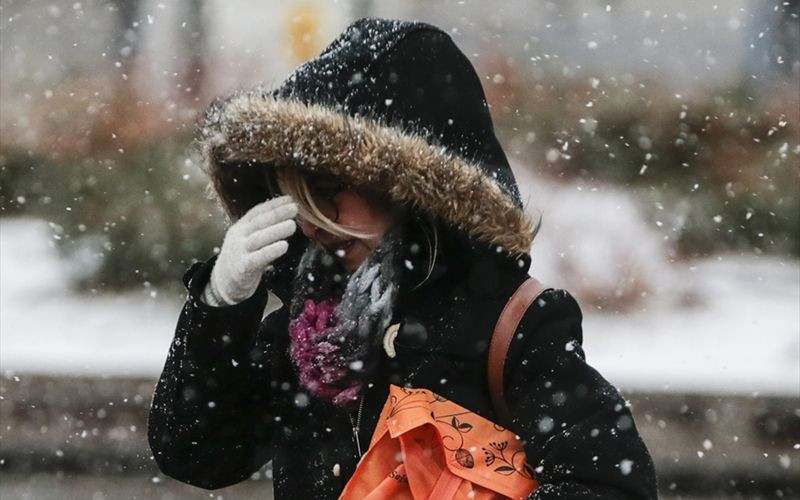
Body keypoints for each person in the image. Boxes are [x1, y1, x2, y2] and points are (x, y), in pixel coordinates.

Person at [148, 17, 658, 499]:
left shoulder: (511, 321)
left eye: (327, 191)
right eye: (295, 201)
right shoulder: (307, 327)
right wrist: (220, 303)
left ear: (405, 188)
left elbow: (610, 486)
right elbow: (197, 454)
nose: (309, 223)